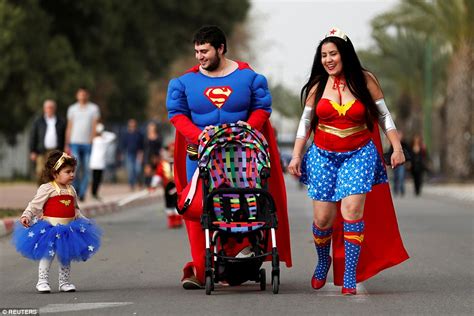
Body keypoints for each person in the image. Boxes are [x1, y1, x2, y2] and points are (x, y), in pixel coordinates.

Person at [166, 25, 292, 289]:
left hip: (241, 160)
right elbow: (177, 115)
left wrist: (248, 127)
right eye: (196, 51)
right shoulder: (183, 83)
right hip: (200, 158)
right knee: (199, 210)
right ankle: (202, 268)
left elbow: (261, 108)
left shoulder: (249, 78)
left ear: (220, 48)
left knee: (242, 208)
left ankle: (238, 263)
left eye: (205, 51)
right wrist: (199, 135)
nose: (199, 57)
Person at [288, 27, 409, 295]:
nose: (328, 59)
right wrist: (296, 155)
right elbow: (305, 123)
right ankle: (323, 260)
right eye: (324, 55)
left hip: (359, 154)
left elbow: (384, 116)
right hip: (322, 156)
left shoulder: (365, 80)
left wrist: (397, 148)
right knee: (323, 220)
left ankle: (351, 273)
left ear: (345, 55)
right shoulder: (318, 86)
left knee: (352, 211)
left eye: (333, 54)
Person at [12, 150, 102, 293]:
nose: (72, 174)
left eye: (73, 171)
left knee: (65, 257)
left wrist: (85, 221)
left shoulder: (71, 189)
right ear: (55, 174)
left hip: (68, 230)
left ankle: (64, 282)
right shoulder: (47, 188)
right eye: (68, 172)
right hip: (50, 229)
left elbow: (75, 210)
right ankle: (42, 281)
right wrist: (27, 215)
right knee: (47, 255)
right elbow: (35, 205)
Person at [65, 88, 101, 201]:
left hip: (88, 143)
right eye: (80, 94)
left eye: (84, 94)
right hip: (75, 142)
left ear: (87, 95)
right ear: (77, 96)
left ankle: (82, 192)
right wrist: (67, 143)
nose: (82, 96)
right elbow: (69, 126)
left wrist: (92, 138)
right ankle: (76, 189)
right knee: (75, 167)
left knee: (86, 168)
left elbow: (95, 124)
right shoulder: (72, 109)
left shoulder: (93, 108)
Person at [29, 100, 66, 185]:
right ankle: (41, 190)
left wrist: (64, 150)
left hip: (55, 151)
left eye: (51, 108)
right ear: (44, 109)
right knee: (40, 172)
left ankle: (51, 193)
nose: (49, 109)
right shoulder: (38, 121)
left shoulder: (60, 121)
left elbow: (64, 136)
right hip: (41, 151)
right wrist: (32, 151)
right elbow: (33, 136)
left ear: (55, 109)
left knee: (54, 172)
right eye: (48, 108)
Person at [151, 142, 182, 228]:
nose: (171, 153)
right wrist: (153, 185)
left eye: (173, 150)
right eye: (170, 151)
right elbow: (158, 175)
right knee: (169, 203)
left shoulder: (180, 161)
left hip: (178, 187)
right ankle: (171, 220)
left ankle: (178, 219)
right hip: (167, 187)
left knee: (178, 202)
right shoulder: (163, 163)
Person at [89, 123, 116, 200]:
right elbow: (113, 136)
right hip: (97, 163)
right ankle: (94, 193)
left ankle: (94, 193)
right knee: (97, 179)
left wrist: (100, 133)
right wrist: (103, 133)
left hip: (96, 163)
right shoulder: (104, 140)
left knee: (95, 179)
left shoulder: (95, 140)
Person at [120, 119, 144, 191]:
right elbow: (123, 145)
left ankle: (140, 183)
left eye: (134, 125)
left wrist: (141, 154)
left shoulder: (139, 134)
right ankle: (131, 185)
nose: (132, 126)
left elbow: (142, 145)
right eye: (131, 125)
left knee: (138, 170)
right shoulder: (126, 134)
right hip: (129, 154)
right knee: (131, 170)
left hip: (137, 153)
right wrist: (122, 154)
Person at [143, 121, 163, 188]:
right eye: (150, 127)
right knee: (147, 170)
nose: (151, 128)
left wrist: (158, 156)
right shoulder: (145, 136)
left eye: (153, 127)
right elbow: (143, 147)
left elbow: (160, 147)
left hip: (155, 155)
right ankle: (147, 184)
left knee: (154, 170)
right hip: (147, 154)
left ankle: (153, 184)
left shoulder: (159, 137)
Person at [390, 130, 409, 197]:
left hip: (402, 163)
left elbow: (408, 153)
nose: (399, 136)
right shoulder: (393, 143)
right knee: (395, 177)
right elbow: (390, 152)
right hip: (395, 163)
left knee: (401, 177)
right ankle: (395, 190)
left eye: (400, 135)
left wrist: (408, 162)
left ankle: (402, 190)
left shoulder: (404, 144)